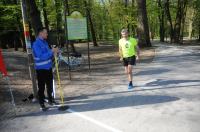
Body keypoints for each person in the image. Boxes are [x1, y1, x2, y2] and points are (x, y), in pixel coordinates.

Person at [32, 27, 58, 111]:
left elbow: (48, 55)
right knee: (42, 86)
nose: (47, 34)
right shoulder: (36, 44)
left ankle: (51, 100)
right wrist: (51, 51)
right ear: (41, 33)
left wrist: (54, 52)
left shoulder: (45, 42)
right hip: (41, 69)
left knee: (50, 85)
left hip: (48, 67)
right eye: (46, 33)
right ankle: (42, 103)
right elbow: (41, 56)